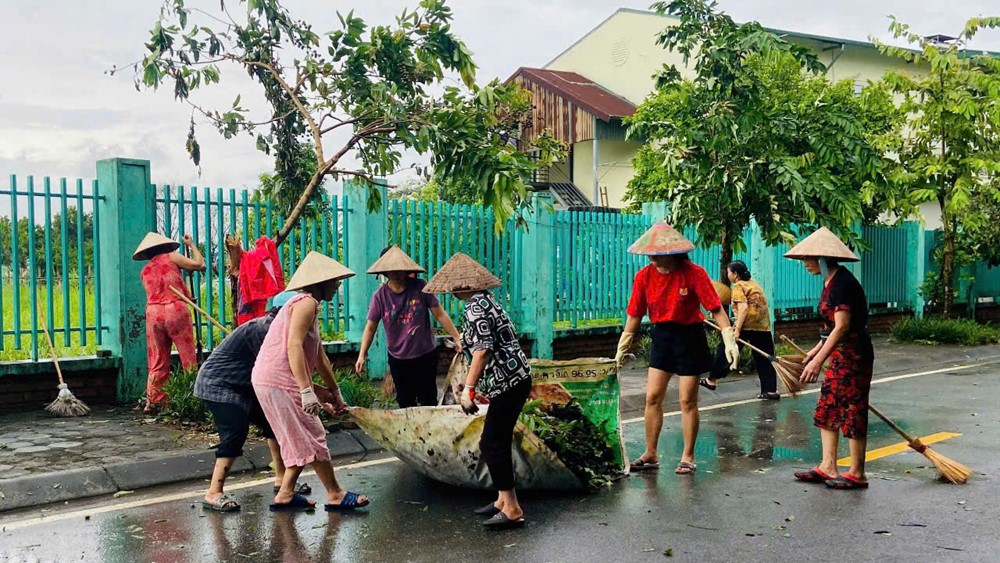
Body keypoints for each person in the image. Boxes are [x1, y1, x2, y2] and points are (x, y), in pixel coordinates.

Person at [194, 291, 338, 511]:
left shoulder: (280, 330)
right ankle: (214, 492)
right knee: (236, 431)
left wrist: (320, 392)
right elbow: (285, 371)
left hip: (248, 385)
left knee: (273, 424)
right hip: (220, 385)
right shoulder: (267, 330)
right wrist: (313, 393)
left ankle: (281, 479)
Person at [615, 222, 738, 475]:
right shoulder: (644, 277)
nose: (653, 258)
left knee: (687, 400)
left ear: (673, 252)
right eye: (650, 253)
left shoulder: (694, 273)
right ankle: (650, 453)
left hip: (690, 338)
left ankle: (688, 455)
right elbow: (635, 315)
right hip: (662, 337)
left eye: (658, 253)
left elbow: (716, 309)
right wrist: (623, 346)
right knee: (652, 397)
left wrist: (728, 337)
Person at [251, 251, 370, 511]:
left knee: (299, 435)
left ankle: (285, 494)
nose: (338, 286)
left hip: (272, 378)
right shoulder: (305, 303)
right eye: (335, 282)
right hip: (279, 379)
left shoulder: (305, 306)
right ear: (322, 283)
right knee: (313, 432)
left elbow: (319, 358)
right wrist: (307, 391)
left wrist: (332, 392)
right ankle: (335, 493)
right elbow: (293, 346)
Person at [423, 252, 531, 530]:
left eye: (456, 286)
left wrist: (468, 389)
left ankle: (513, 507)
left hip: (508, 382)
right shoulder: (487, 301)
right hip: (514, 378)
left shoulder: (474, 307)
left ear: (464, 286)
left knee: (492, 443)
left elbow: (482, 350)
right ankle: (501, 500)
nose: (453, 290)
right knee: (494, 440)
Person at [785, 227, 874, 490]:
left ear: (822, 259)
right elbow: (830, 329)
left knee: (853, 411)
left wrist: (817, 361)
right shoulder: (829, 282)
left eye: (808, 259)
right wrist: (815, 351)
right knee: (829, 406)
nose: (805, 264)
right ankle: (828, 466)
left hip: (855, 355)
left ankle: (857, 473)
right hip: (839, 354)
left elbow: (843, 326)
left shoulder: (843, 284)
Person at [356, 246, 462, 407]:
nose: (396, 272)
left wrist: (456, 336)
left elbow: (439, 313)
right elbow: (370, 327)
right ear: (384, 271)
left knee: (428, 400)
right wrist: (362, 355)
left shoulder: (420, 287)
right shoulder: (379, 297)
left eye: (399, 268)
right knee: (405, 402)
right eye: (391, 269)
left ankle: (428, 432)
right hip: (399, 359)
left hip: (425, 355)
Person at [133, 232, 205, 415]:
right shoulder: (172, 257)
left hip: (154, 313)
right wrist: (192, 245)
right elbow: (199, 264)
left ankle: (154, 401)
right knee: (188, 357)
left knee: (157, 359)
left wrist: (186, 296)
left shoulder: (145, 270)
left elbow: (161, 289)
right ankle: (193, 399)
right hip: (175, 310)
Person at [703, 260, 780, 400]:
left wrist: (737, 329)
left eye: (729, 272)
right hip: (762, 325)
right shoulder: (753, 283)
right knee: (765, 357)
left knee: (726, 348)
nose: (728, 275)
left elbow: (743, 308)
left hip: (746, 324)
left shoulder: (738, 286)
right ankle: (770, 390)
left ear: (735, 274)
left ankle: (712, 380)